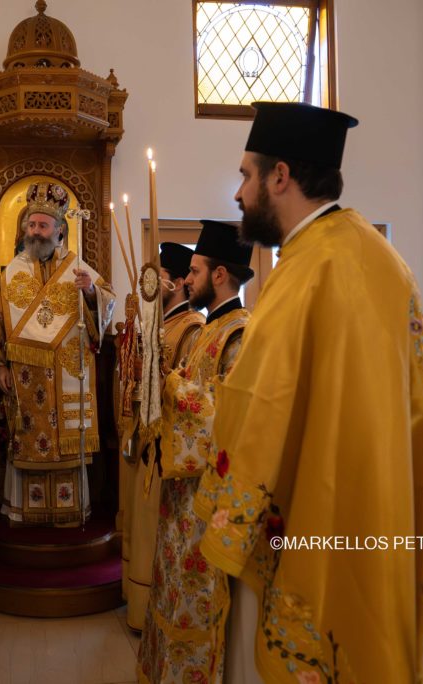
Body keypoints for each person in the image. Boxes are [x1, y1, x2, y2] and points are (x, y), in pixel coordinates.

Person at [192, 102, 423, 683]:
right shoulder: (383, 260)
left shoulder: (307, 268)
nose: (238, 193)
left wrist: (226, 516)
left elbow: (258, 405)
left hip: (308, 518)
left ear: (280, 176)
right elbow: (422, 407)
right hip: (379, 510)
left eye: (246, 175)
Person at [137, 221, 253, 683]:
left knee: (193, 595)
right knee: (171, 588)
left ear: (220, 274)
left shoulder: (240, 334)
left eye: (196, 271)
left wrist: (170, 386)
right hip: (182, 491)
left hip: (208, 497)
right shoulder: (209, 329)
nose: (187, 279)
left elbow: (228, 415)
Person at [0, 182, 116, 526]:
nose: (36, 231)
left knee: (65, 443)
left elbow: (107, 305)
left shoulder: (78, 268)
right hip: (25, 379)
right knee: (26, 440)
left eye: (43, 225)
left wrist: (90, 293)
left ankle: (70, 511)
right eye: (31, 224)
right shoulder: (11, 274)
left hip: (66, 375)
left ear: (59, 231)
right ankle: (25, 512)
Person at [121, 240, 205, 631]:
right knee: (139, 524)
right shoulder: (159, 323)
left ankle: (148, 610)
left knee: (153, 526)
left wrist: (157, 373)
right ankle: (135, 602)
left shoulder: (192, 328)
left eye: (161, 278)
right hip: (143, 436)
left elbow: (189, 387)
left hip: (164, 444)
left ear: (178, 284)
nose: (152, 287)